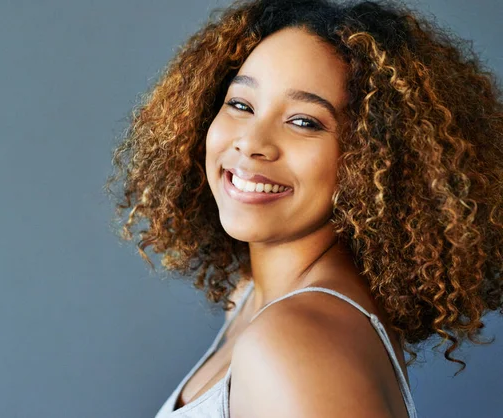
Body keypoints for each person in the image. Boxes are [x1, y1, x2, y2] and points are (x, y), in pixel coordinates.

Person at [104, 0, 503, 416]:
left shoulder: (294, 342)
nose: (252, 142)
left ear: (373, 157)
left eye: (304, 121)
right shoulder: (253, 297)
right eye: (241, 105)